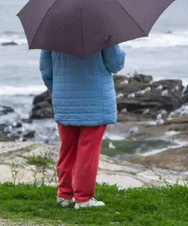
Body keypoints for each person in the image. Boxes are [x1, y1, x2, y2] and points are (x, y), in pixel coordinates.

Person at [39, 45, 126, 209]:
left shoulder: (52, 33)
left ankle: (64, 194)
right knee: (88, 151)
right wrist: (120, 51)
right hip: (95, 100)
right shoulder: (102, 30)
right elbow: (115, 64)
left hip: (65, 100)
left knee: (67, 149)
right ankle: (83, 198)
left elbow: (46, 71)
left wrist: (59, 91)